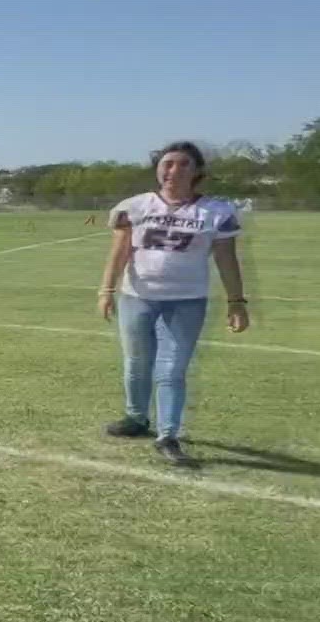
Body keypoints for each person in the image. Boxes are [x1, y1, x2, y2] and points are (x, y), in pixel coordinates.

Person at [97, 142, 251, 467]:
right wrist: (105, 290)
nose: (173, 170)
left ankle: (168, 434)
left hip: (186, 301)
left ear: (197, 173)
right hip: (137, 296)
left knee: (172, 369)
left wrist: (236, 301)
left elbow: (226, 258)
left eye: (183, 164)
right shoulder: (135, 207)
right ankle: (136, 418)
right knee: (136, 364)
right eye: (167, 163)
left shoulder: (216, 212)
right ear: (158, 168)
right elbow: (120, 250)